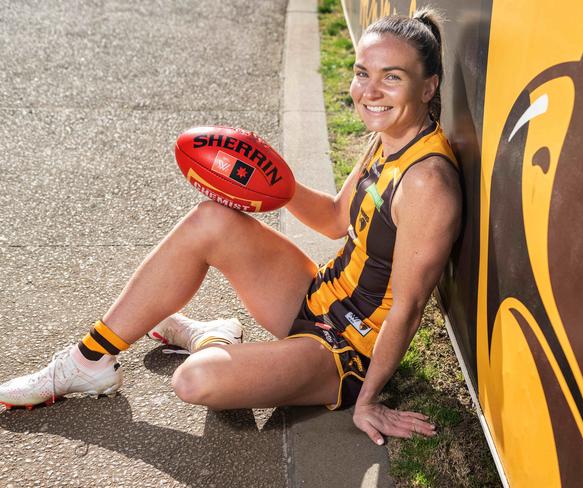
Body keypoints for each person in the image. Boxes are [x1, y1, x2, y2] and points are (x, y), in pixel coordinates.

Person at [0, 8, 461, 446]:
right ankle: (87, 360)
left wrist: (367, 402)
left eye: (392, 77)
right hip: (320, 294)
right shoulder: (390, 135)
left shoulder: (427, 183)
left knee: (195, 380)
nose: (369, 91)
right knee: (212, 219)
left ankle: (213, 339)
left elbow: (408, 307)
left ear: (428, 87)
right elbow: (337, 220)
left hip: (344, 352)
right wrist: (272, 183)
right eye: (363, 73)